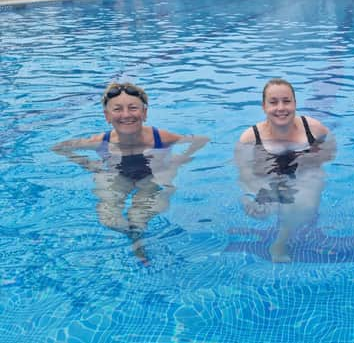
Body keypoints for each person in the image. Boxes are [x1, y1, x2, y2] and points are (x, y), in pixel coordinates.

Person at [53, 82, 209, 265]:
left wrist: (180, 159)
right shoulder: (101, 141)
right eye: (117, 109)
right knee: (109, 219)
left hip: (151, 177)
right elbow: (59, 148)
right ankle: (133, 237)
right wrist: (88, 164)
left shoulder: (159, 137)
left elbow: (200, 140)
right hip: (117, 176)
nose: (126, 115)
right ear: (107, 116)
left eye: (133, 108)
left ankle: (137, 238)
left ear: (144, 113)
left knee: (140, 217)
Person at [235, 78, 336, 263]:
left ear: (295, 103)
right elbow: (244, 173)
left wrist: (313, 160)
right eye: (273, 102)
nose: (281, 108)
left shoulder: (312, 128)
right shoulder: (250, 137)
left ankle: (280, 242)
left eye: (286, 101)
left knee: (305, 204)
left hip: (304, 168)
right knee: (263, 212)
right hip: (267, 170)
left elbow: (330, 149)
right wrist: (254, 189)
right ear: (264, 106)